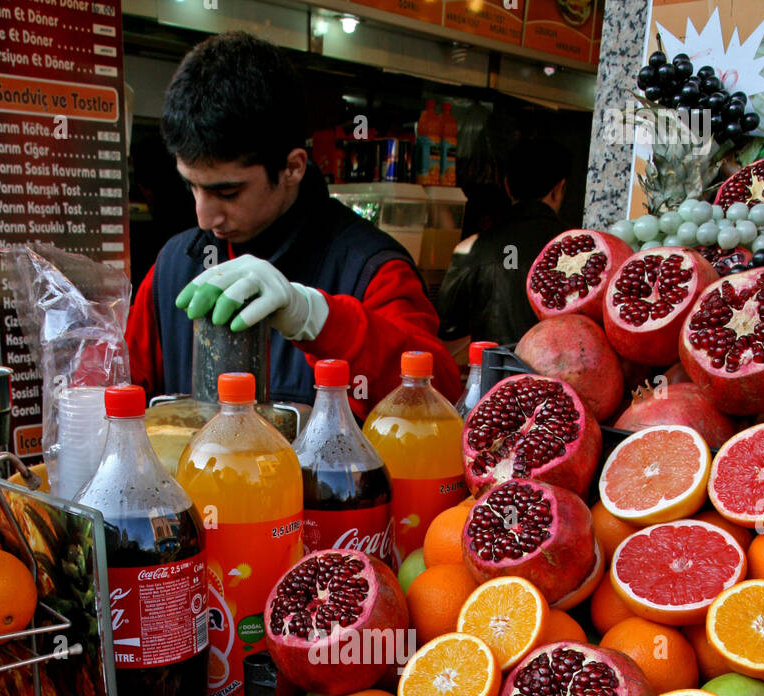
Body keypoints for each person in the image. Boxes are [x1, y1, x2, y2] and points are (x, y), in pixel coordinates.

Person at [126, 32, 460, 412]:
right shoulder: (173, 266)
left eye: (228, 193)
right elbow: (123, 398)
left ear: (292, 167)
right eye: (192, 186)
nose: (204, 217)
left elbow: (440, 398)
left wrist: (318, 319)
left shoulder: (371, 270)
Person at [437, 137, 571, 346]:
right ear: (558, 189)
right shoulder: (580, 250)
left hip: (491, 375)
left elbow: (446, 329)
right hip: (562, 375)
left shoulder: (472, 248)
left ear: (507, 185)